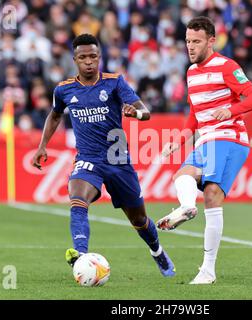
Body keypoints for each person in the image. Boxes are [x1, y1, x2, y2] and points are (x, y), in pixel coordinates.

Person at [31, 34, 175, 277]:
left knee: (139, 220)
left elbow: (145, 112)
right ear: (75, 59)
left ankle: (157, 251)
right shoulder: (64, 90)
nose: (89, 62)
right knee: (77, 199)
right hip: (88, 159)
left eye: (94, 56)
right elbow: (55, 115)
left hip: (118, 161)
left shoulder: (115, 82)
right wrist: (42, 145)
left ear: (100, 57)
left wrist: (135, 114)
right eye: (83, 57)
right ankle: (80, 255)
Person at [157, 16, 252, 284]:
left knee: (211, 194)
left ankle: (207, 269)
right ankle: (186, 208)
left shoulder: (226, 66)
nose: (190, 47)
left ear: (211, 41)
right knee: (183, 177)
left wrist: (230, 109)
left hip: (229, 137)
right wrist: (178, 141)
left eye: (196, 41)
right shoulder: (191, 72)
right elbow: (195, 113)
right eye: (187, 41)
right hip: (205, 139)